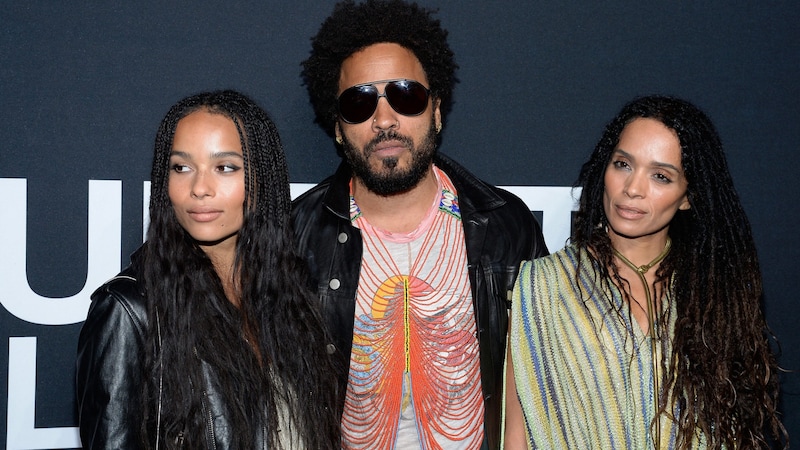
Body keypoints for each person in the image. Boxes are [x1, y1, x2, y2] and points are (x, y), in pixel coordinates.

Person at [293, 1, 548, 448]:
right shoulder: (295, 236)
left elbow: (543, 388)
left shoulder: (507, 228)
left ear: (436, 111)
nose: (385, 120)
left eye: (406, 95)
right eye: (360, 102)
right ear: (337, 127)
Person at [503, 95, 788, 449]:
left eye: (660, 176)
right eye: (623, 164)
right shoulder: (543, 285)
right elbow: (519, 431)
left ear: (688, 196)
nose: (633, 189)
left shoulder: (712, 292)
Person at [76, 90, 341, 449]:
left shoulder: (291, 292)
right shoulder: (130, 310)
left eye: (225, 167)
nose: (199, 188)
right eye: (181, 167)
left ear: (262, 178)